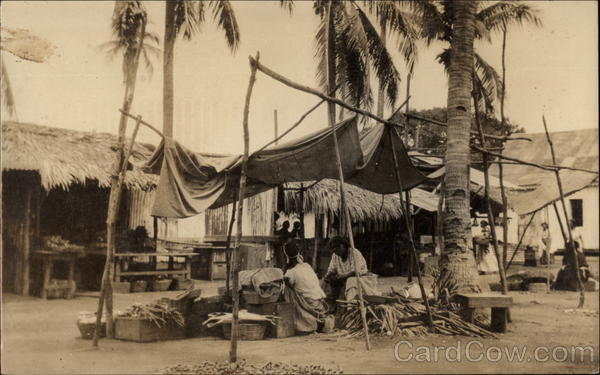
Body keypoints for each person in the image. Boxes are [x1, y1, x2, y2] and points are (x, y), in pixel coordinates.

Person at [282, 239, 329, 334]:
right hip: (319, 303)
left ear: (286, 256)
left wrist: (284, 271)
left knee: (286, 288)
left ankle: (304, 321)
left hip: (309, 303)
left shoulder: (291, 272)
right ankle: (319, 320)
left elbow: (287, 284)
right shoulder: (307, 266)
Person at [323, 237, 379, 307]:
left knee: (350, 281)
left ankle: (351, 307)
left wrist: (342, 277)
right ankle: (327, 306)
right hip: (344, 279)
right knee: (325, 282)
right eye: (333, 248)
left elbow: (356, 272)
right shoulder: (335, 256)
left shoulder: (354, 253)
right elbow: (332, 270)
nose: (335, 250)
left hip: (361, 279)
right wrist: (328, 276)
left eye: (337, 247)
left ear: (344, 245)